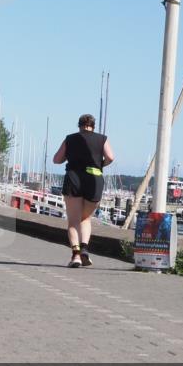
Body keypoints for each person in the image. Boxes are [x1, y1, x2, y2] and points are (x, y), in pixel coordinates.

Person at [52, 114, 115, 267]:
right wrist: (99, 164)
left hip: (74, 178)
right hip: (94, 180)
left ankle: (76, 256)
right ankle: (85, 249)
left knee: (73, 221)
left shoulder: (70, 138)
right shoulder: (102, 139)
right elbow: (111, 157)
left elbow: (57, 159)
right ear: (93, 126)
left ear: (79, 125)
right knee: (85, 218)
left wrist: (70, 157)